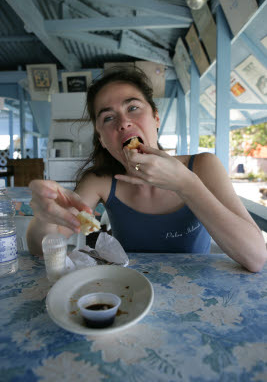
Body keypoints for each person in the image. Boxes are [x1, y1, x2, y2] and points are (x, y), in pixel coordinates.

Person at [27, 66, 266, 272]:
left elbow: (256, 257)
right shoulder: (99, 180)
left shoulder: (203, 166)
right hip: (130, 292)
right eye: (108, 118)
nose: (124, 122)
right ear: (101, 139)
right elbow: (42, 249)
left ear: (156, 118)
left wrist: (186, 184)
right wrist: (43, 217)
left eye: (132, 108)